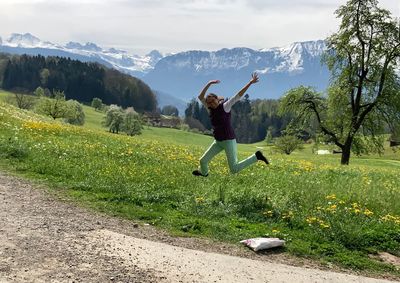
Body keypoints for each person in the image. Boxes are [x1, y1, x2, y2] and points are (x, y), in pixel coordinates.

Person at [192, 73, 269, 177]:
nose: (212, 103)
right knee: (202, 161)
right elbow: (200, 96)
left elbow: (238, 95)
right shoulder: (209, 109)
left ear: (216, 99)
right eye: (209, 102)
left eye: (213, 101)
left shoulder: (225, 106)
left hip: (228, 140)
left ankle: (256, 157)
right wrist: (209, 83)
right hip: (218, 142)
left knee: (234, 169)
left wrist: (250, 83)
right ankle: (204, 175)